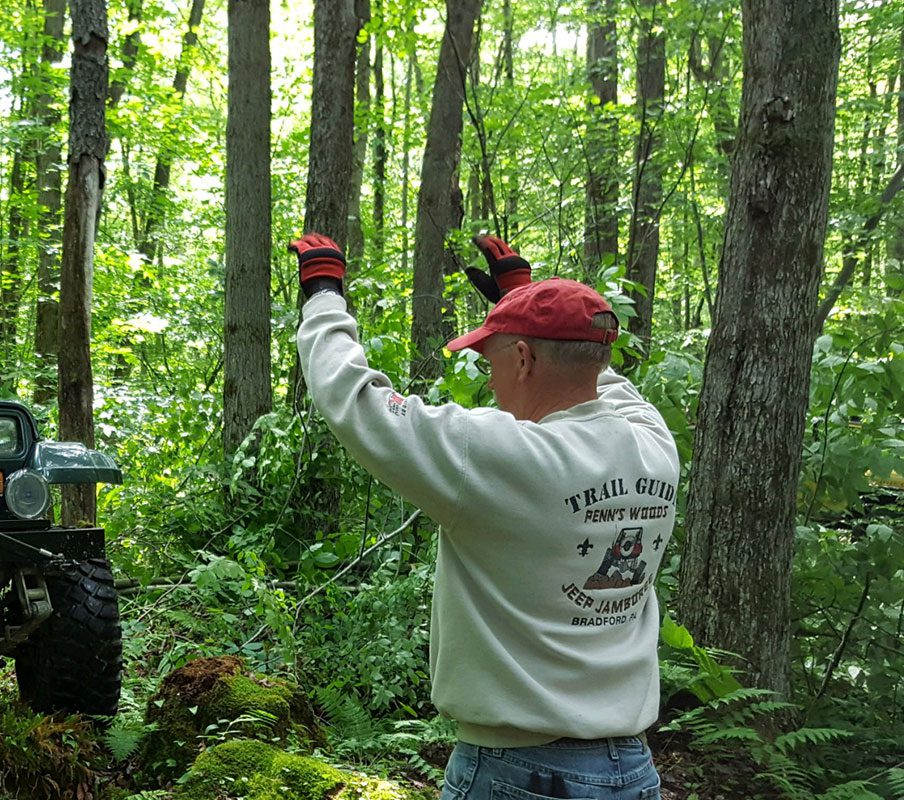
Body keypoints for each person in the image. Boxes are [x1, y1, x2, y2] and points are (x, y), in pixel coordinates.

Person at [290, 232, 679, 800]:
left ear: (522, 359)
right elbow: (597, 379)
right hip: (633, 773)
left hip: (520, 776)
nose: (490, 380)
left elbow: (355, 401)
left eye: (491, 358)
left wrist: (323, 296)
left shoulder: (501, 456)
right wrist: (526, 298)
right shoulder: (653, 445)